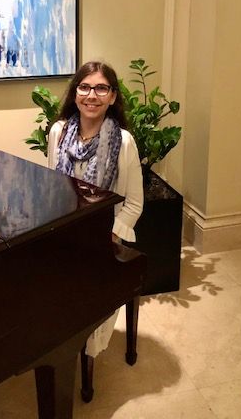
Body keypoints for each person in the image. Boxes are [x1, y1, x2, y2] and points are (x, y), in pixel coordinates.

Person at [47, 60, 143, 357]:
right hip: (65, 233)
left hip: (104, 239)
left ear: (112, 96)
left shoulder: (124, 142)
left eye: (101, 88)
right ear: (75, 93)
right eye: (85, 87)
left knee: (90, 298)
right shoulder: (58, 132)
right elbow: (52, 188)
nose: (92, 95)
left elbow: (134, 203)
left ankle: (87, 348)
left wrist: (109, 238)